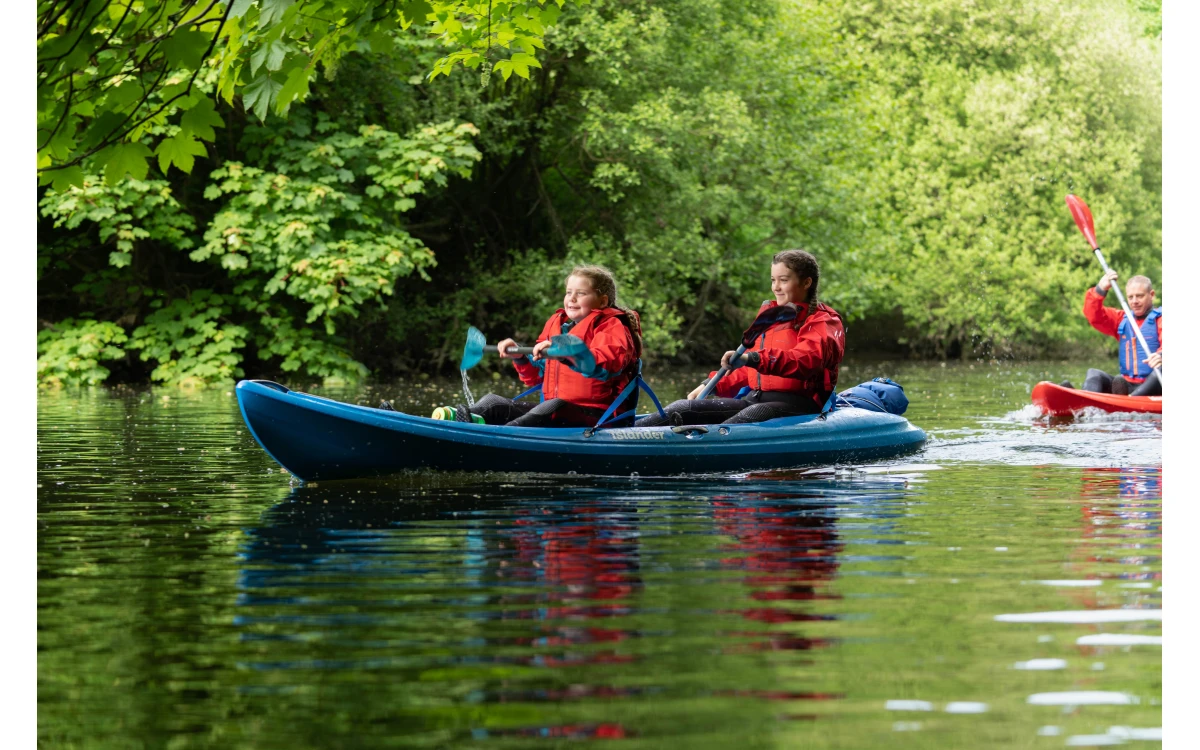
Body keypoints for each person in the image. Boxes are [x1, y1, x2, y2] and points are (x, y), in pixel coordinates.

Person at [636, 249, 844, 426]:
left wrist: (753, 358)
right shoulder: (772, 318)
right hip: (755, 399)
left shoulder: (823, 322)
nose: (775, 287)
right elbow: (750, 370)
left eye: (784, 280)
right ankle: (620, 436)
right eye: (773, 280)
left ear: (806, 282)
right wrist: (712, 384)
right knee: (681, 408)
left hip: (800, 405)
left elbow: (805, 361)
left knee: (743, 420)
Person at [464, 265, 642, 427]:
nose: (571, 298)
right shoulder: (557, 324)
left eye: (581, 293)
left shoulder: (612, 327)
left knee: (552, 407)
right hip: (556, 412)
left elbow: (606, 363)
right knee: (493, 403)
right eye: (568, 292)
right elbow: (537, 376)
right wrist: (520, 357)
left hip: (601, 417)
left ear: (602, 301)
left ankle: (503, 436)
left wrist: (568, 353)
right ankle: (457, 418)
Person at [1066, 269, 1161, 396]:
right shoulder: (1122, 319)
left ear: (1152, 295)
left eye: (1139, 296)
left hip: (1155, 384)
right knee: (1094, 374)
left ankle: (1128, 401)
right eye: (1130, 297)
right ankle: (1084, 401)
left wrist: (1161, 355)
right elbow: (1094, 316)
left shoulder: (1161, 319)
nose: (1134, 301)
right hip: (1127, 384)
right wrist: (1100, 289)